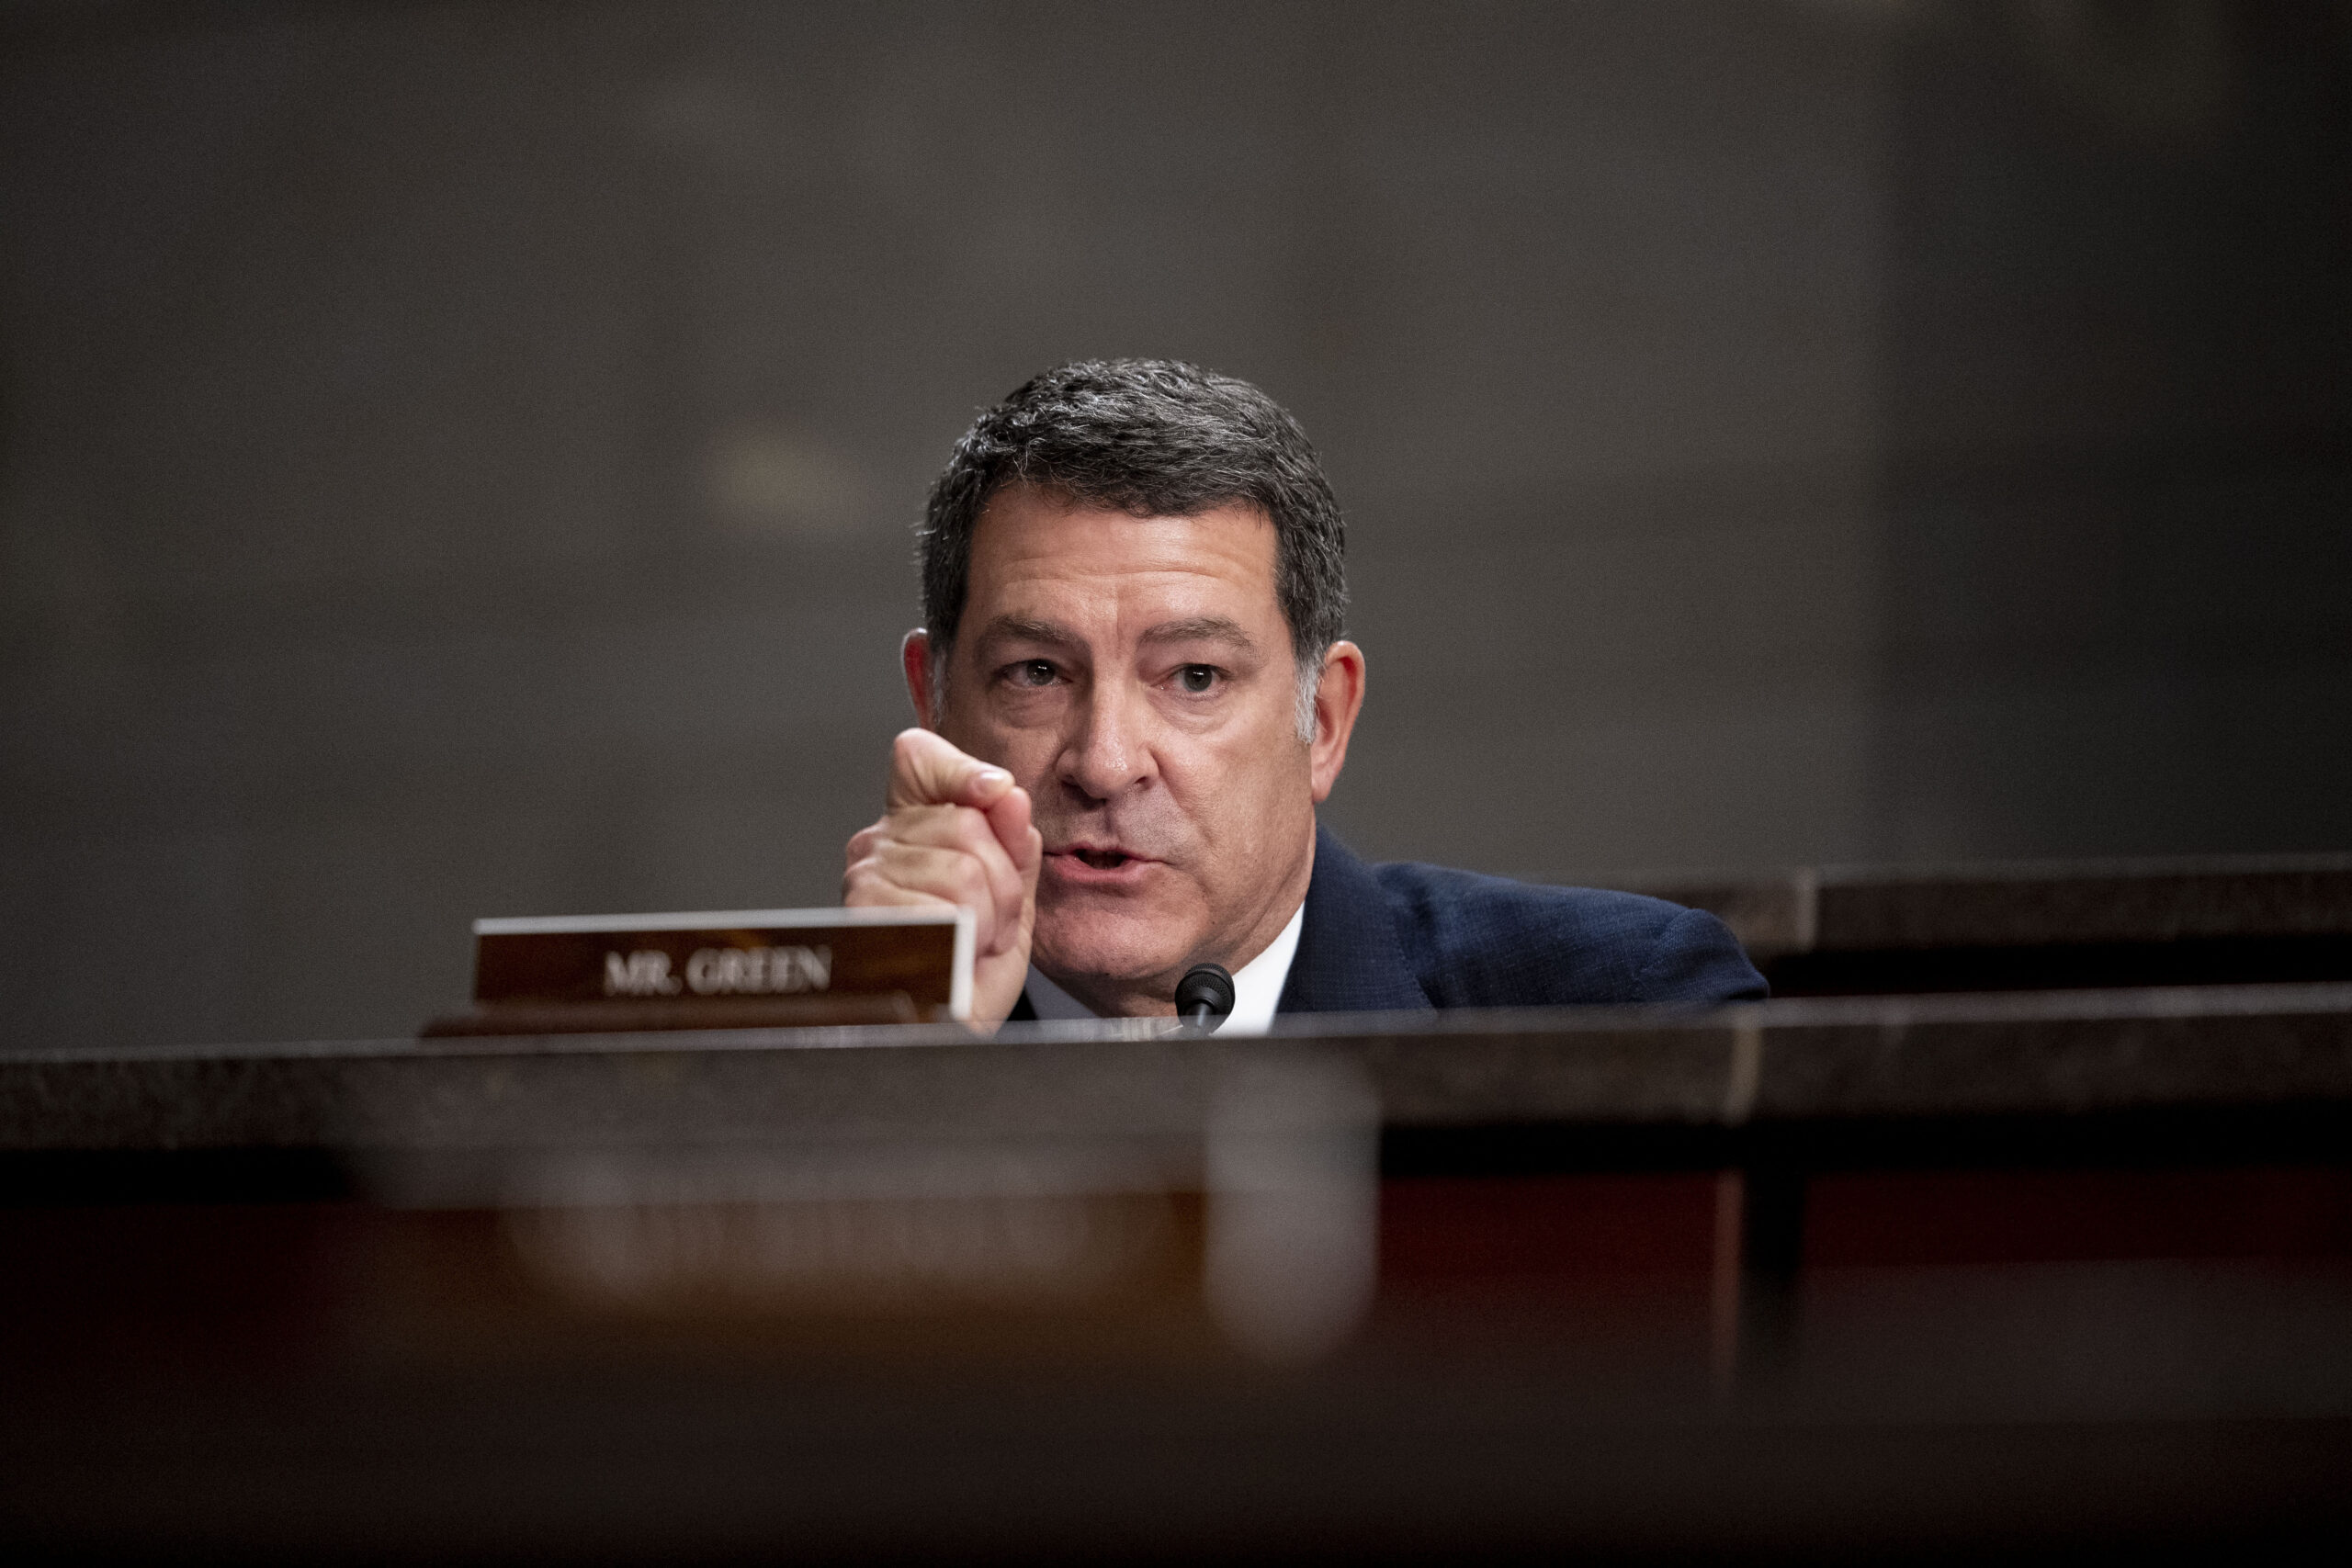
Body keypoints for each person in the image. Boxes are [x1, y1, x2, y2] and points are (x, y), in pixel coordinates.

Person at [843, 359, 1765, 1031]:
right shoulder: (805, 1054)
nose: (1106, 763)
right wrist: (897, 1058)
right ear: (935, 705)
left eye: (1195, 677)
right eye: (1038, 673)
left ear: (1322, 722)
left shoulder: (1629, 1006)